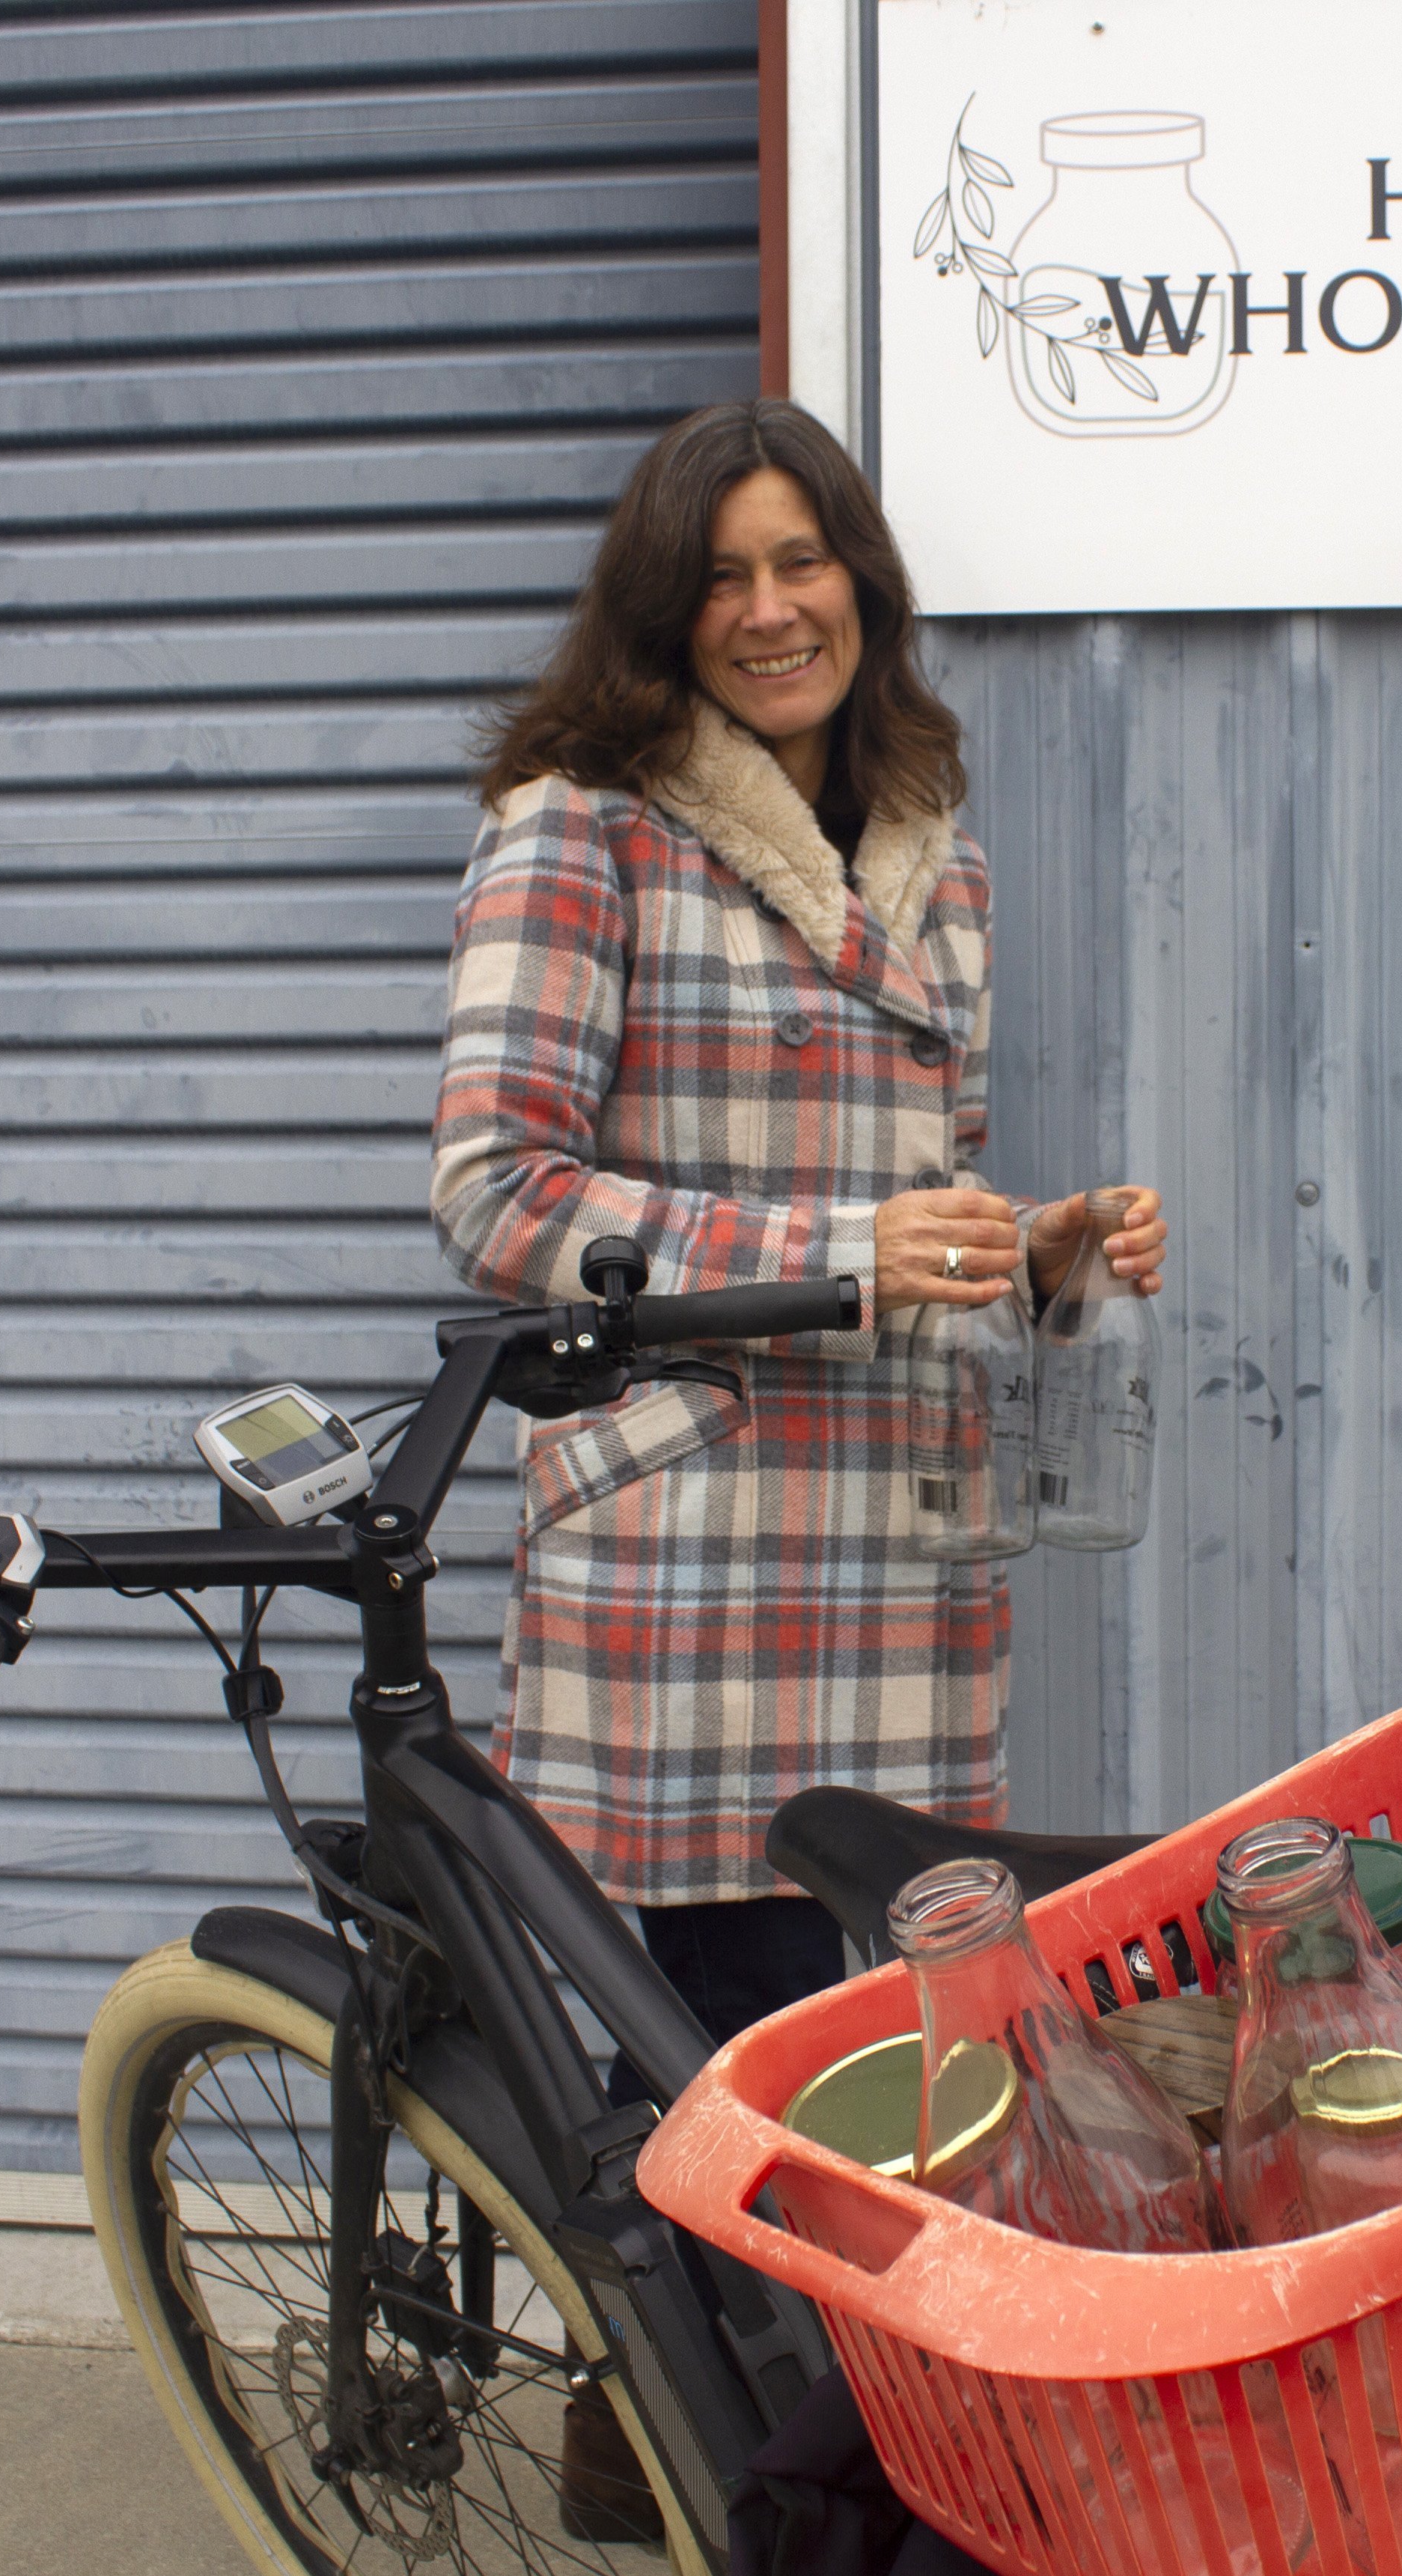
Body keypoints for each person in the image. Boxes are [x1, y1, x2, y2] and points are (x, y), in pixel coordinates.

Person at [432, 394, 1170, 2066]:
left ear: (864, 586)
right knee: (734, 2056)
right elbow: (497, 1188)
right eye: (720, 579)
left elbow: (931, 1219)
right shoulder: (584, 819)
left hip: (901, 1543)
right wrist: (854, 1254)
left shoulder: (938, 862)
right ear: (663, 616)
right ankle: (707, 2337)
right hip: (703, 1545)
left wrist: (1043, 1256)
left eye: (802, 562)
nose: (770, 609)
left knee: (896, 2053)